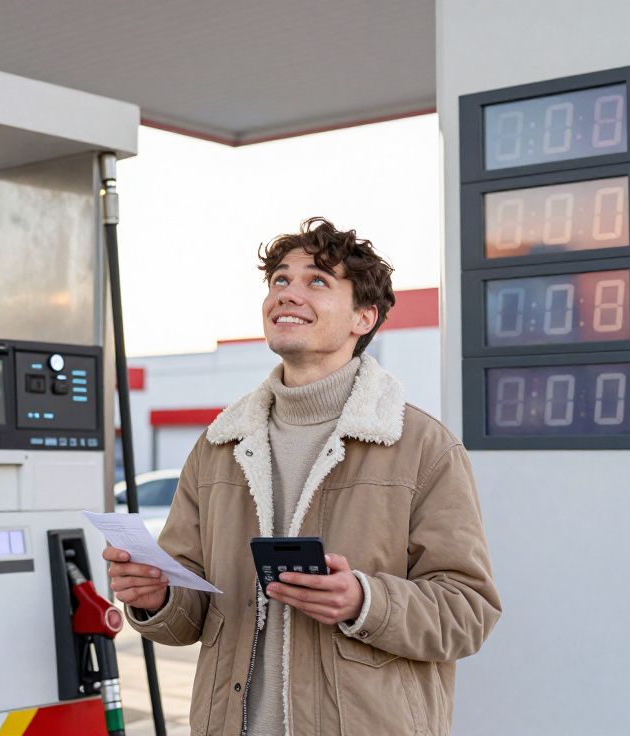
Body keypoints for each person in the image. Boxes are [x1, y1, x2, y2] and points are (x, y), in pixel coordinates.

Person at [104, 217, 501, 736]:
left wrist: (364, 601)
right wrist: (155, 597)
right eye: (279, 280)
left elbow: (468, 612)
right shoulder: (219, 445)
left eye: (317, 280)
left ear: (364, 317)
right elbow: (192, 615)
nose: (287, 294)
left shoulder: (423, 446)